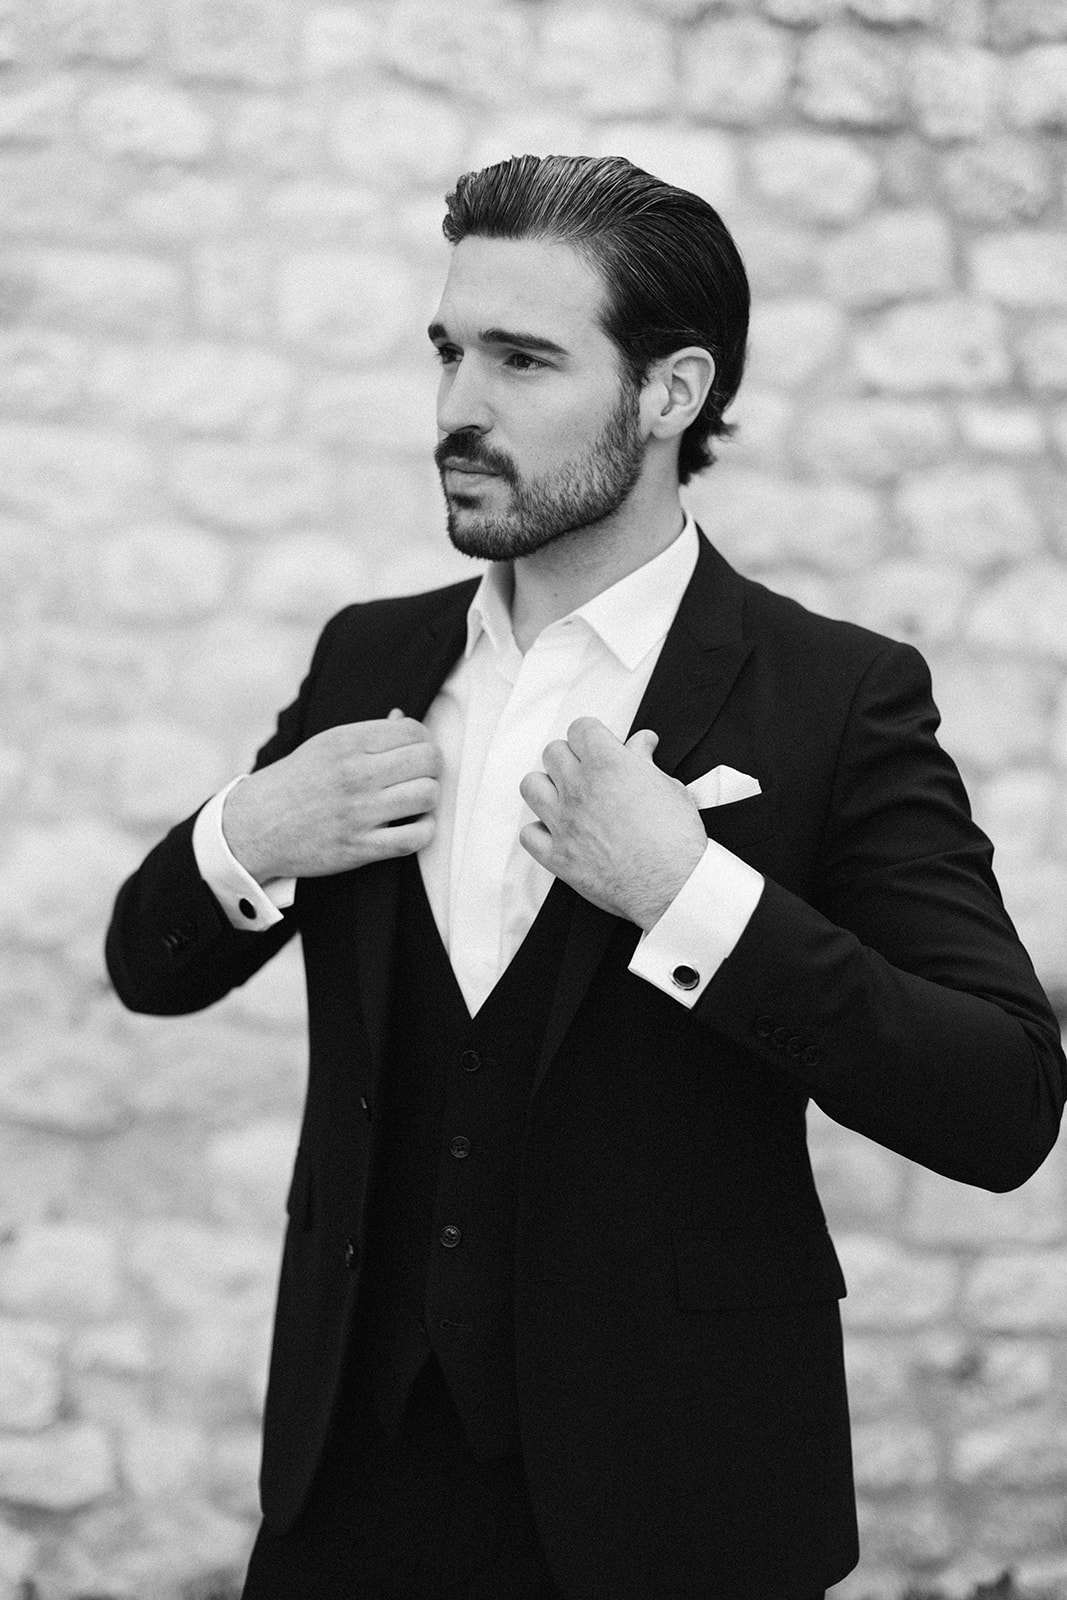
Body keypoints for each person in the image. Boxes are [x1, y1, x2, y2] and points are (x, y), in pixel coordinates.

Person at [105, 155, 1066, 1600]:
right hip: (347, 1501)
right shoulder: (372, 657)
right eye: (447, 351)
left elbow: (1001, 1100)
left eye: (523, 359)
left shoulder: (836, 696)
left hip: (679, 1511)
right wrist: (248, 831)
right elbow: (150, 965)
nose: (455, 409)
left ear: (671, 393)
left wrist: (692, 897)